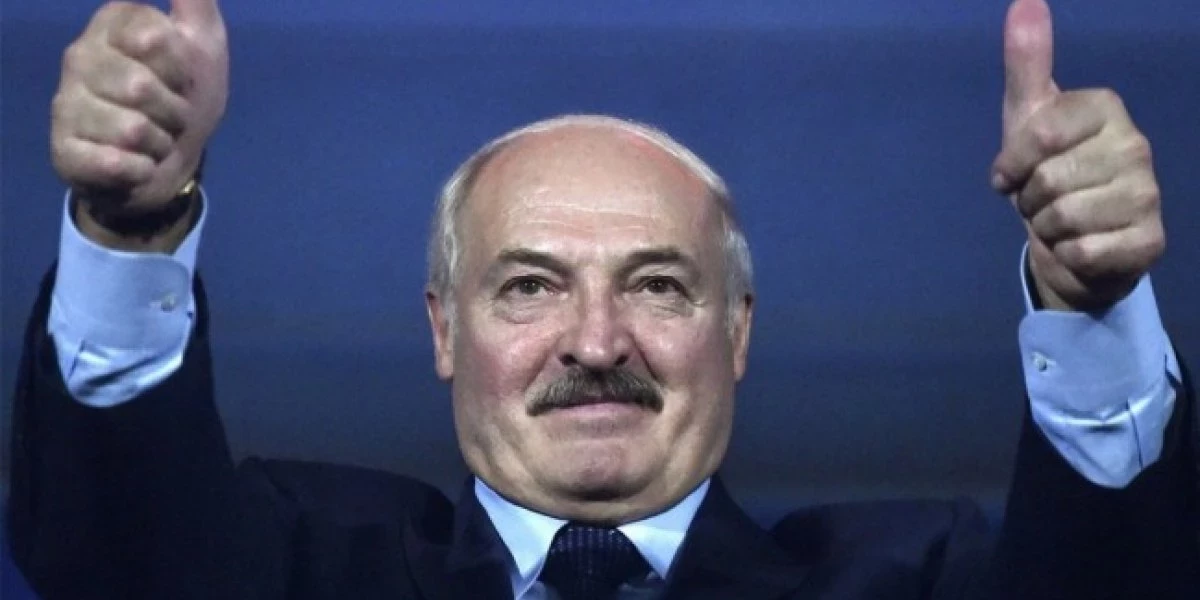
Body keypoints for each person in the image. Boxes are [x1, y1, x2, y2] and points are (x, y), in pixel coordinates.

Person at [6, 0, 1197, 598]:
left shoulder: (917, 577)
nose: (595, 340)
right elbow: (117, 548)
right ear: (443, 329)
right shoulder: (300, 563)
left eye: (660, 285)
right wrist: (130, 227)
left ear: (737, 333)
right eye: (529, 286)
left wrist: (1088, 302)